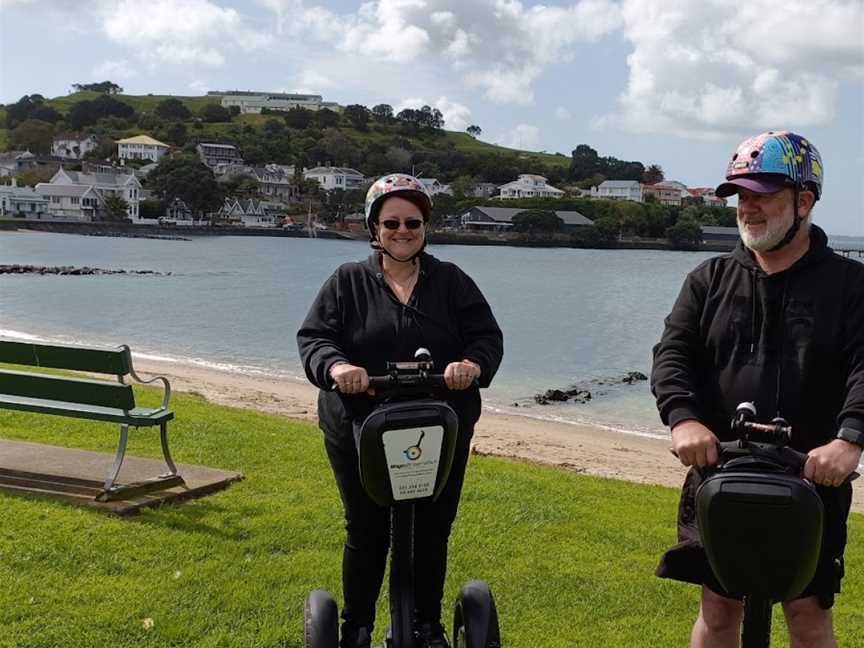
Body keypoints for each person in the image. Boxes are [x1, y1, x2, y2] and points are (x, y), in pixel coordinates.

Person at [651, 131, 864, 648]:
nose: (748, 208)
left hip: (813, 477)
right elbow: (673, 355)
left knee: (808, 613)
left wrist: (849, 438)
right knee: (719, 608)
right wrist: (685, 419)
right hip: (719, 468)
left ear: (805, 200)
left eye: (763, 195)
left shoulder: (850, 286)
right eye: (742, 196)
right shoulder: (709, 279)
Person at [297, 173, 503, 648]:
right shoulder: (347, 282)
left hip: (439, 425)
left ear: (426, 226)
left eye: (413, 222)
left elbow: (487, 338)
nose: (402, 231)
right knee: (367, 528)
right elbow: (314, 339)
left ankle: (427, 626)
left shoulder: (451, 282)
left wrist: (471, 365)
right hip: (358, 424)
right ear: (375, 228)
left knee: (432, 527)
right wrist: (338, 366)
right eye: (391, 223)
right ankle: (357, 627)